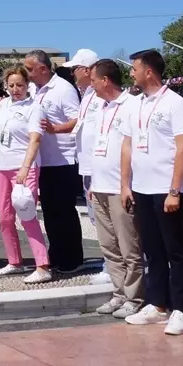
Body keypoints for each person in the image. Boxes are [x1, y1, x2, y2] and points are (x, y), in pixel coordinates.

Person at [120, 49, 183, 335]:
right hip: (141, 188)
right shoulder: (134, 104)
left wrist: (175, 189)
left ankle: (182, 309)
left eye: (134, 69)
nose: (131, 74)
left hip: (166, 189)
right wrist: (125, 184)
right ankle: (158, 304)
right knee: (152, 249)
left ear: (148, 71)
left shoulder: (175, 103)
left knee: (175, 249)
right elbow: (127, 145)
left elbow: (182, 148)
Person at [86, 59, 144, 319]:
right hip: (99, 185)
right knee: (109, 246)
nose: (91, 85)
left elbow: (130, 148)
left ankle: (136, 297)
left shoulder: (132, 105)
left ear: (105, 80)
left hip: (119, 188)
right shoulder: (100, 107)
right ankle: (120, 293)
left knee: (129, 246)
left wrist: (126, 185)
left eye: (94, 80)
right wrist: (92, 181)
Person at [0, 67, 51, 284]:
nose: (15, 89)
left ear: (27, 84)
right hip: (1, 166)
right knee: (3, 216)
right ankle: (14, 261)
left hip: (23, 167)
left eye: (19, 85)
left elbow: (35, 139)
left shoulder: (34, 108)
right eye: (11, 85)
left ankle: (42, 265)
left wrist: (25, 167)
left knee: (27, 213)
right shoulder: (3, 104)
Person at [24, 49, 85, 274]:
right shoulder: (33, 90)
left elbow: (77, 119)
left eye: (30, 69)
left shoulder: (63, 89)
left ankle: (73, 259)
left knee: (65, 211)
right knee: (49, 212)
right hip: (44, 161)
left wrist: (55, 129)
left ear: (43, 68)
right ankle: (57, 254)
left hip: (63, 160)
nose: (27, 73)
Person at [62, 48, 107, 282]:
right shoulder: (86, 95)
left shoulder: (99, 97)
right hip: (86, 167)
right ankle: (109, 262)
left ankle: (112, 268)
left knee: (105, 220)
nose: (72, 73)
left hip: (98, 168)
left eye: (75, 69)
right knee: (96, 219)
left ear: (87, 70)